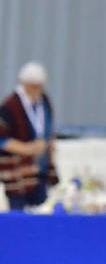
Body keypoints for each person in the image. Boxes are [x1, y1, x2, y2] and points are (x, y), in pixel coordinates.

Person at [0, 62, 57, 211]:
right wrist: (26, 148)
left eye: (40, 87)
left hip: (40, 168)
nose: (37, 91)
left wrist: (49, 143)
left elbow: (48, 127)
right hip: (18, 172)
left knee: (41, 209)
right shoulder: (9, 105)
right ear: (24, 84)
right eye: (33, 87)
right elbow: (2, 139)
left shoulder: (44, 101)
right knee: (19, 213)